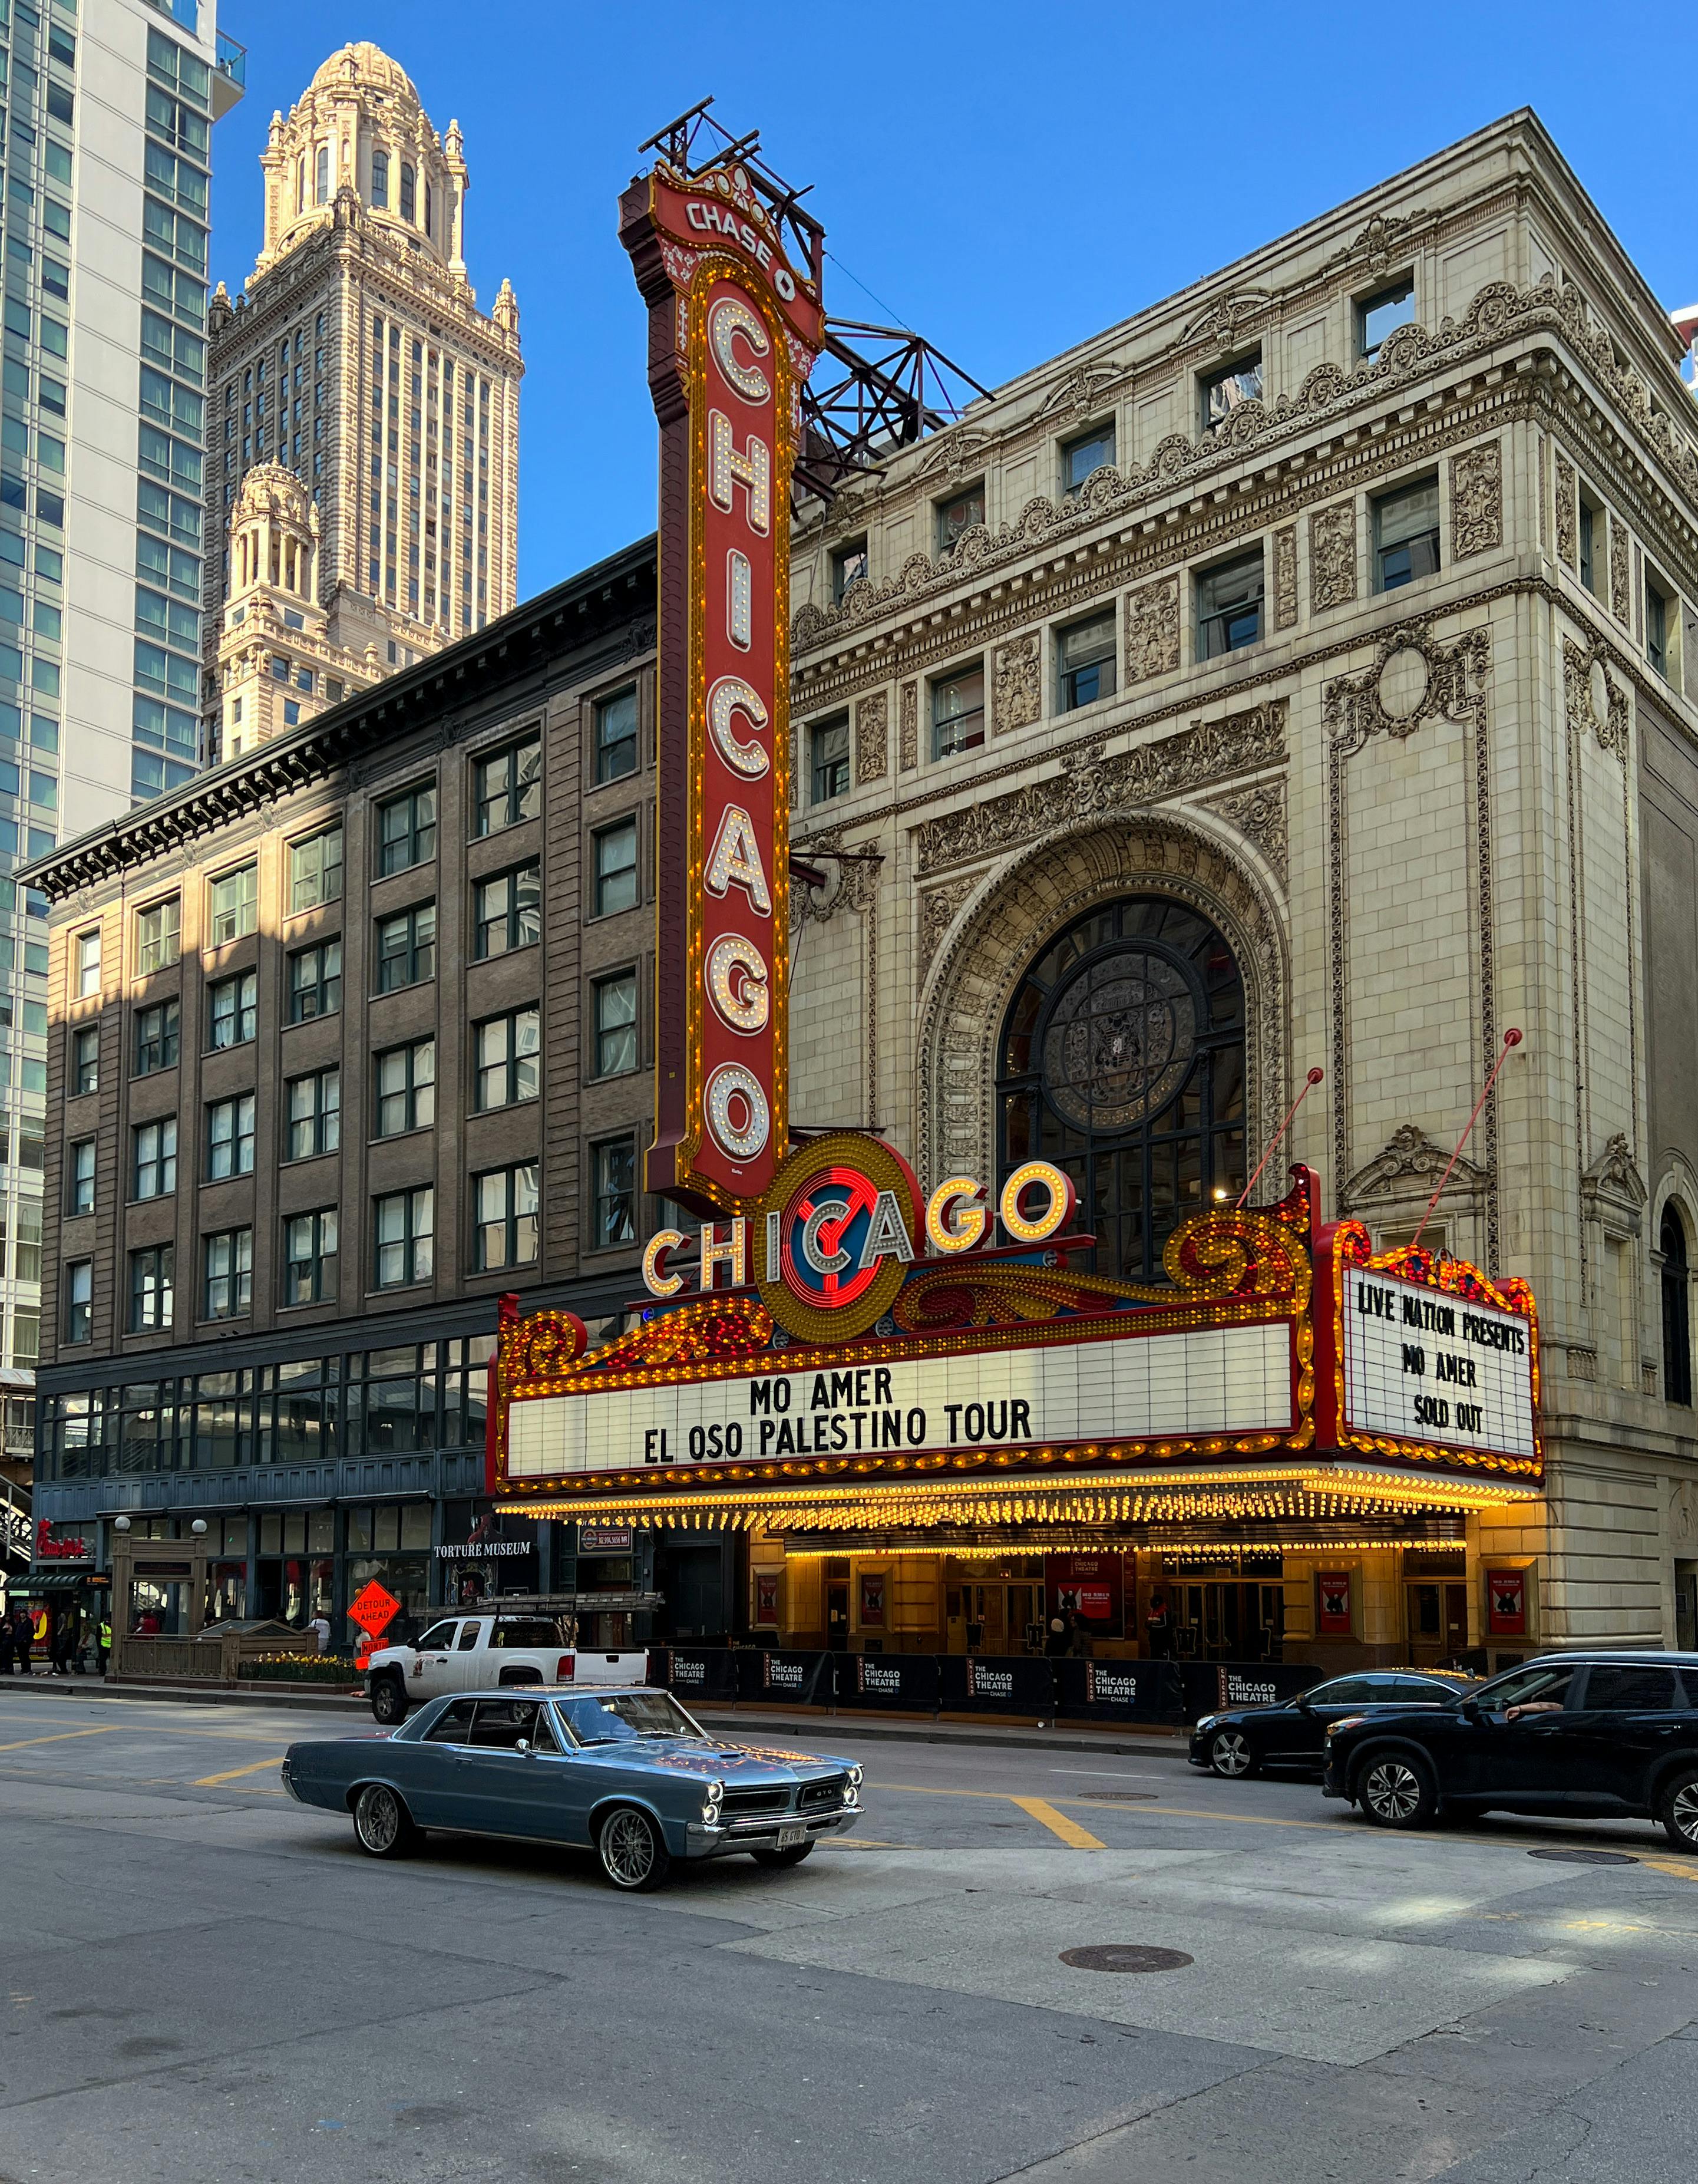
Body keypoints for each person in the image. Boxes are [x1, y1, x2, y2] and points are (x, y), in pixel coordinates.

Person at [1144, 1591, 1174, 1660]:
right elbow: (1148, 1623)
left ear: (1157, 1602)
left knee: (1164, 1661)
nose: (1151, 1604)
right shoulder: (1152, 1612)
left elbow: (1165, 1625)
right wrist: (1147, 1625)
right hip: (1154, 1642)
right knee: (1154, 1660)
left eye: (1152, 1602)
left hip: (1163, 1642)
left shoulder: (1164, 1612)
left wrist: (1151, 1626)